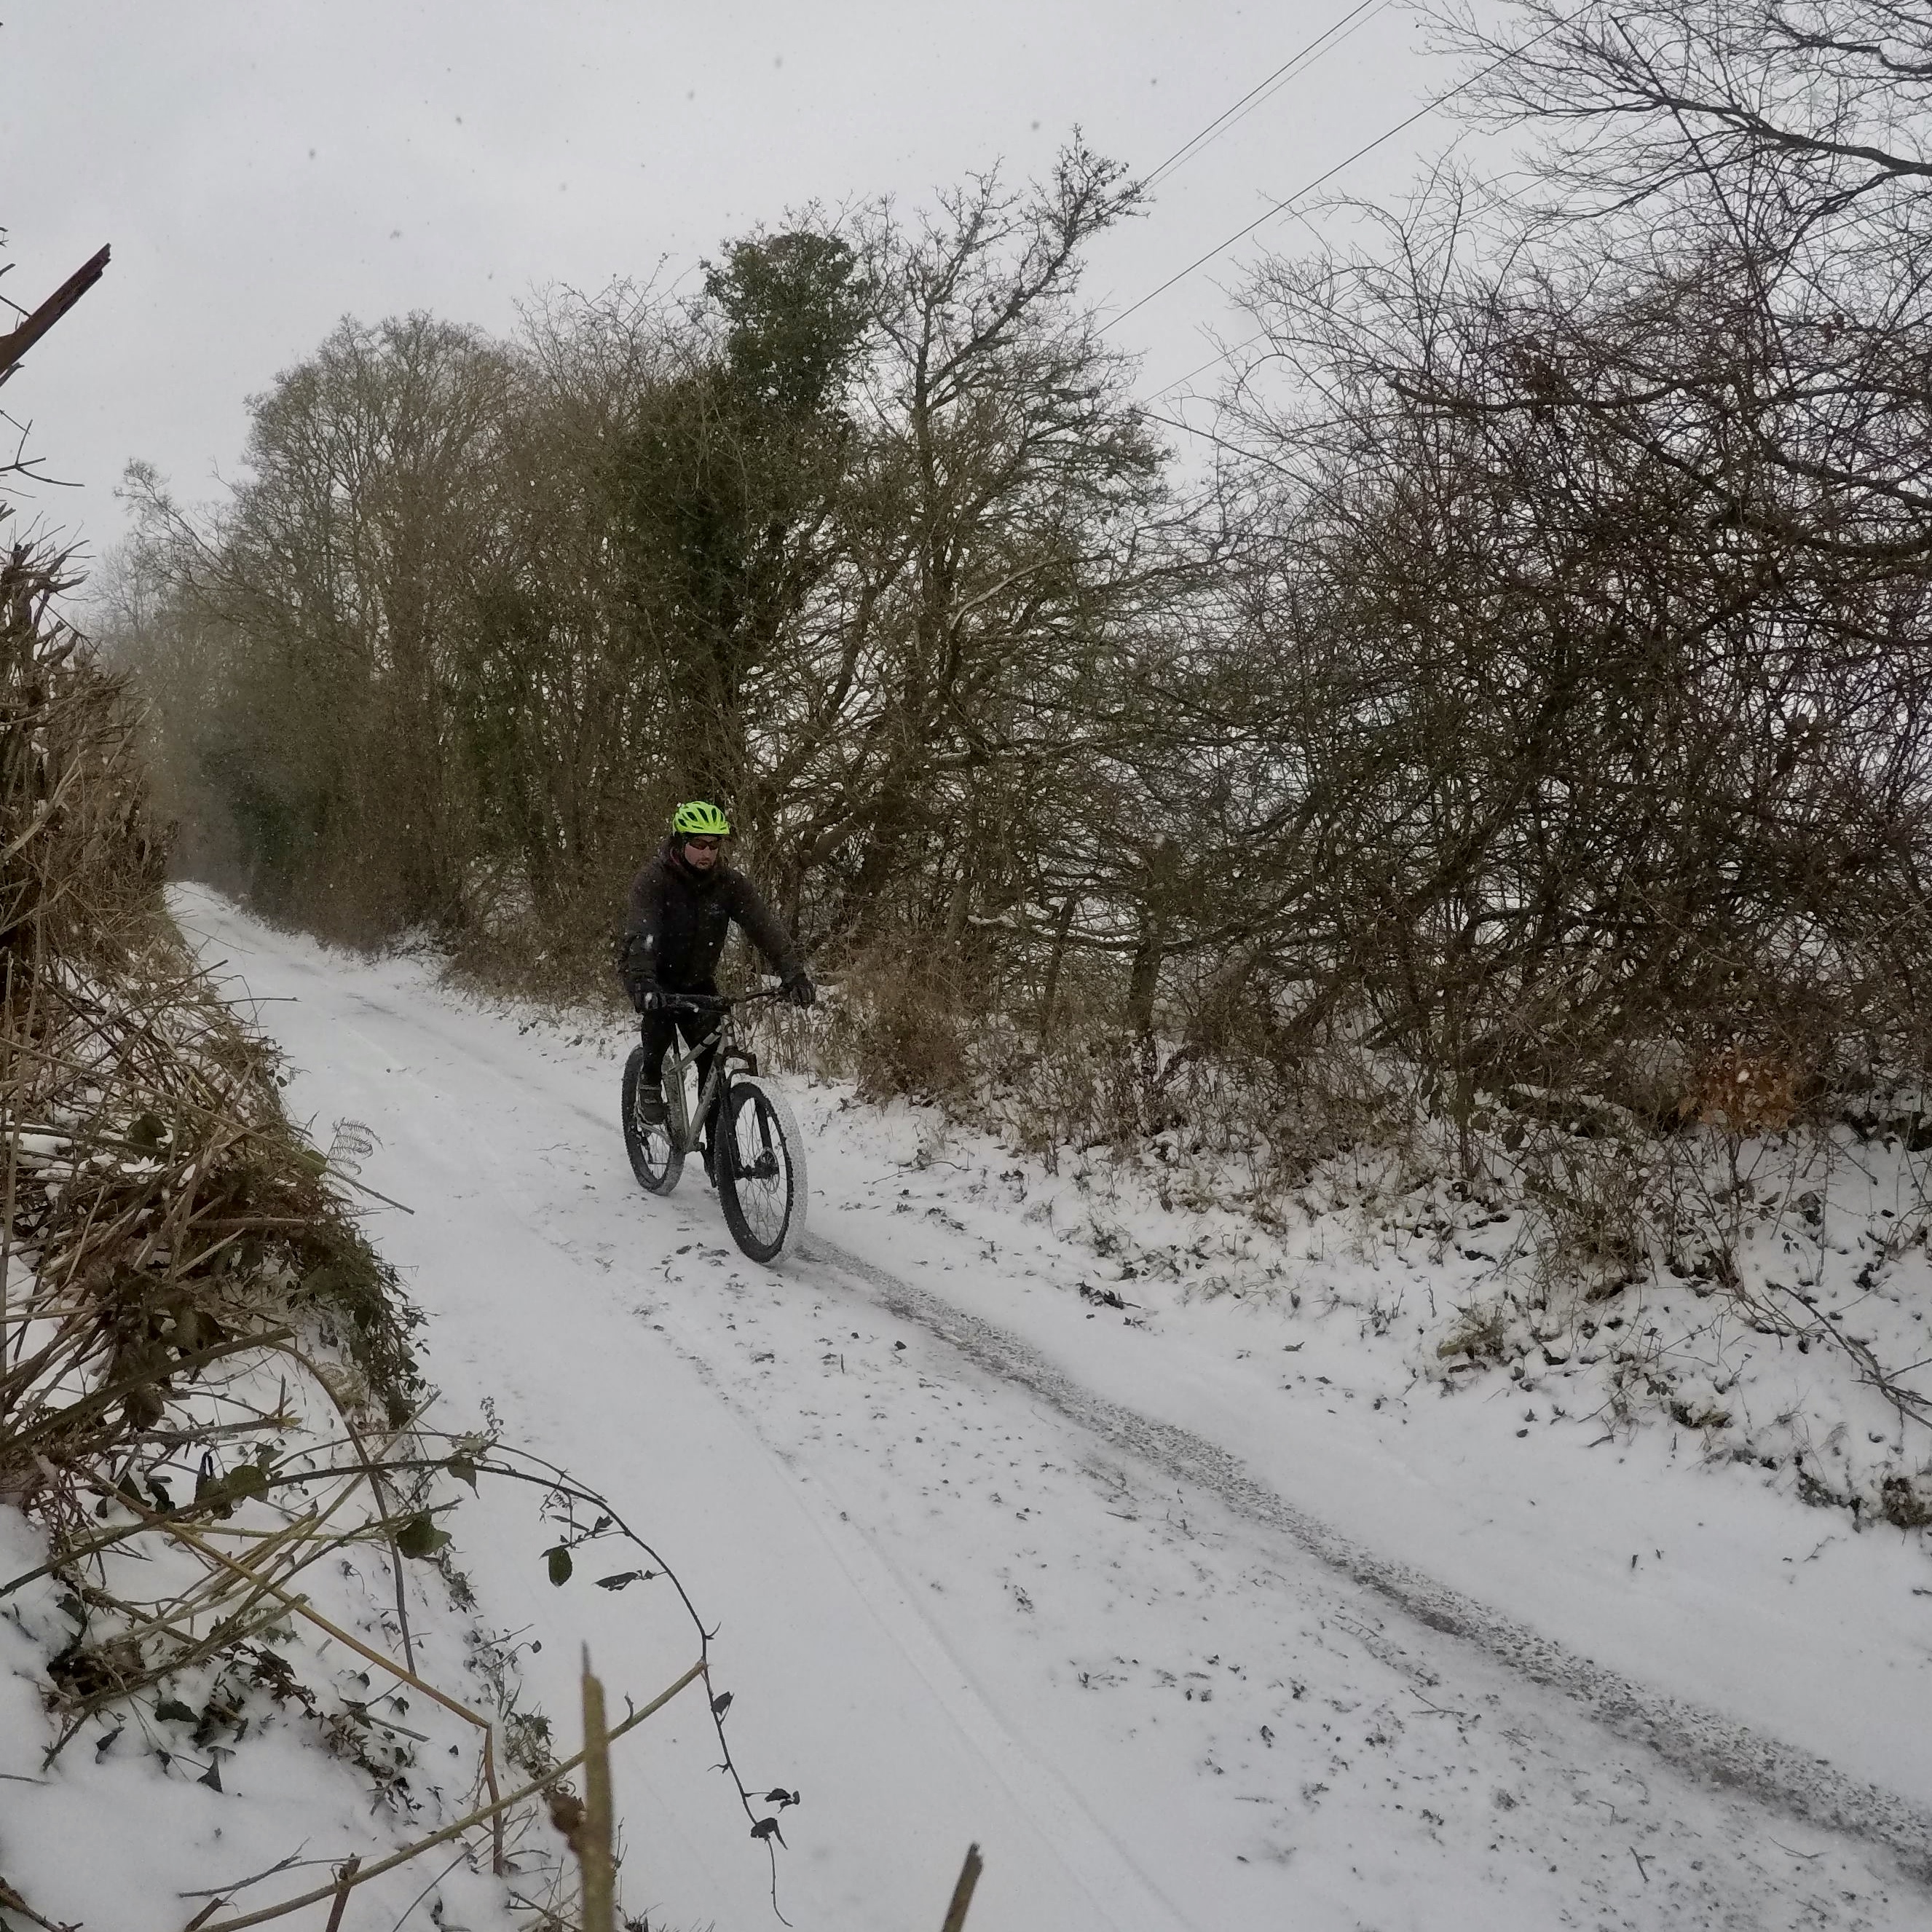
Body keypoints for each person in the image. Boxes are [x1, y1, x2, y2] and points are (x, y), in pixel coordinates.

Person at [620, 800, 815, 1132]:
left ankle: (717, 1156)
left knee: (713, 1067)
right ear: (681, 842)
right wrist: (642, 981)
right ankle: (649, 1080)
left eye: (714, 844)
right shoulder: (655, 880)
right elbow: (642, 934)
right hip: (656, 977)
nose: (706, 852)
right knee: (660, 1025)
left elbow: (764, 927)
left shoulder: (729, 884)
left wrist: (793, 973)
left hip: (698, 982)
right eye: (698, 843)